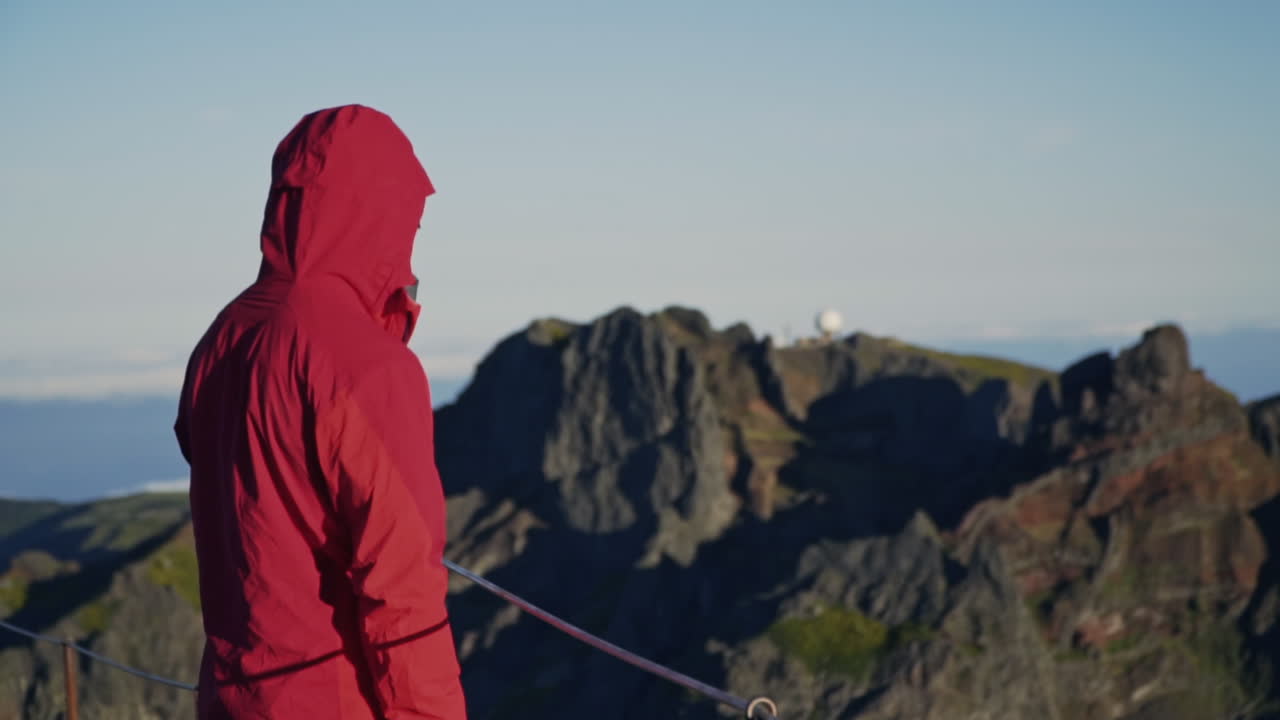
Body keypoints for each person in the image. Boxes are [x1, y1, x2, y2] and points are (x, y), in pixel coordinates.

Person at [174, 104, 467, 720]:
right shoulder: (368, 366)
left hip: (233, 698)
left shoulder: (223, 337)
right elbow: (404, 595)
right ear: (381, 211)